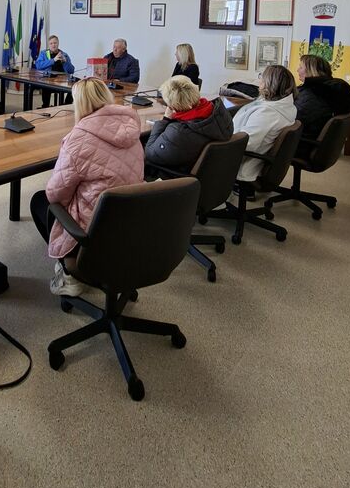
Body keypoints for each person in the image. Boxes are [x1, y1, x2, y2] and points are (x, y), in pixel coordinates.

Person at [30, 77, 145, 296]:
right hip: (130, 227)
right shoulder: (131, 129)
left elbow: (55, 195)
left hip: (96, 233)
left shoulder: (79, 138)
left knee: (40, 201)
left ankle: (69, 273)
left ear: (79, 103)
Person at [144, 75, 233, 176]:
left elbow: (150, 153)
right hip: (210, 174)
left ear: (173, 106)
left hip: (177, 179)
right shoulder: (219, 113)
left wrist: (165, 119)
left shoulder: (179, 132)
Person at [232, 64, 297, 184]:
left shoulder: (267, 113)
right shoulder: (286, 106)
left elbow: (246, 143)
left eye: (262, 76)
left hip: (244, 161)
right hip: (254, 154)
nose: (260, 79)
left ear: (270, 83)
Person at [295, 54, 350, 157]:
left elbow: (294, 120)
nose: (297, 70)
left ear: (312, 71)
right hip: (314, 141)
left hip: (301, 145)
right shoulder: (331, 91)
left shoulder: (312, 94)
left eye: (301, 67)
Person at [35, 34, 75, 107]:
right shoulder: (44, 53)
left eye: (55, 43)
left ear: (58, 43)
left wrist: (65, 61)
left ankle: (66, 105)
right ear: (48, 45)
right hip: (49, 80)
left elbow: (71, 70)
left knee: (75, 86)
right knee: (45, 86)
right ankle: (45, 106)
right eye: (51, 43)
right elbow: (38, 66)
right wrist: (53, 60)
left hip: (62, 81)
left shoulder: (64, 54)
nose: (53, 45)